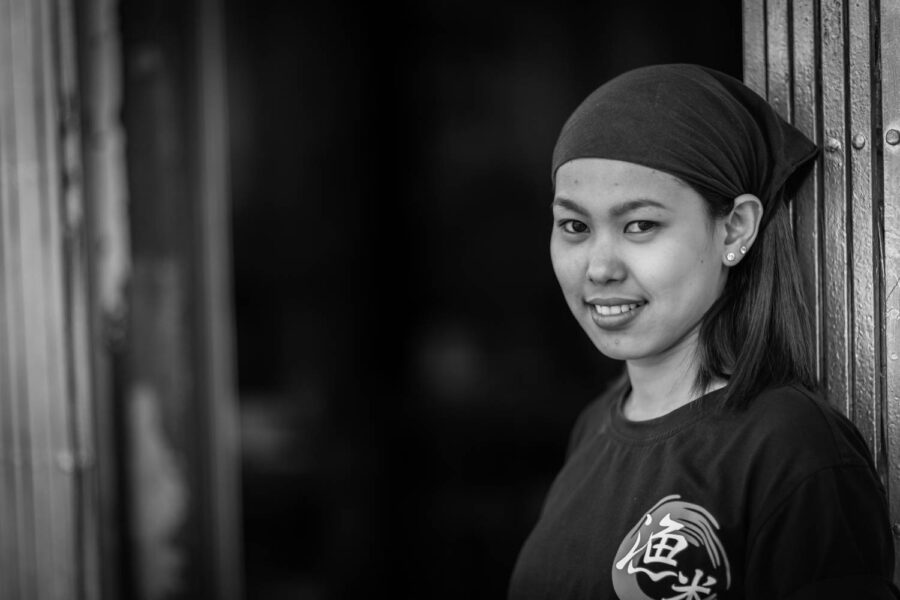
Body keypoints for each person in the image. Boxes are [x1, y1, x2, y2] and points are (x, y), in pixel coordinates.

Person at [508, 64, 899, 599]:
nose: (599, 268)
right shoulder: (593, 428)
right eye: (574, 226)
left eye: (640, 225)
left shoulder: (792, 449)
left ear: (734, 228)